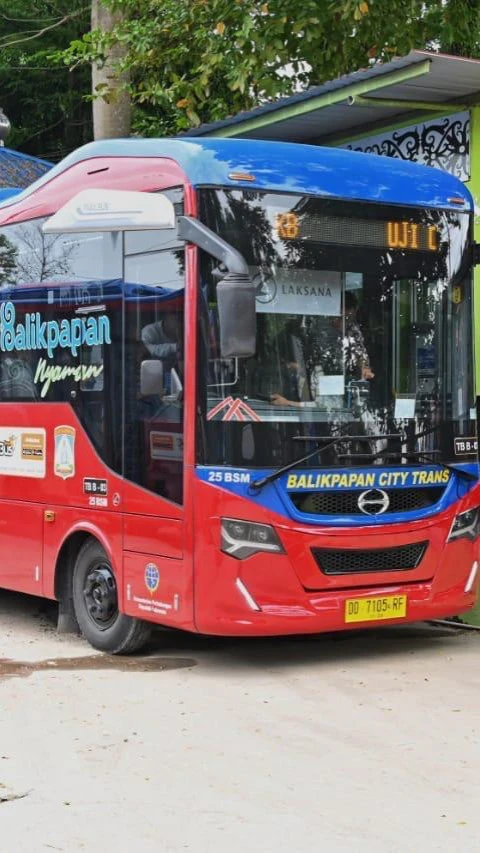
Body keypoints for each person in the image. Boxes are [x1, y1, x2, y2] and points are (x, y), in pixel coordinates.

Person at [271, 291, 373, 408]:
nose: (343, 323)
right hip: (308, 385)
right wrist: (297, 366)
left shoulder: (354, 331)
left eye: (349, 318)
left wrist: (364, 368)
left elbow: (360, 354)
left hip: (336, 390)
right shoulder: (313, 328)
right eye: (340, 318)